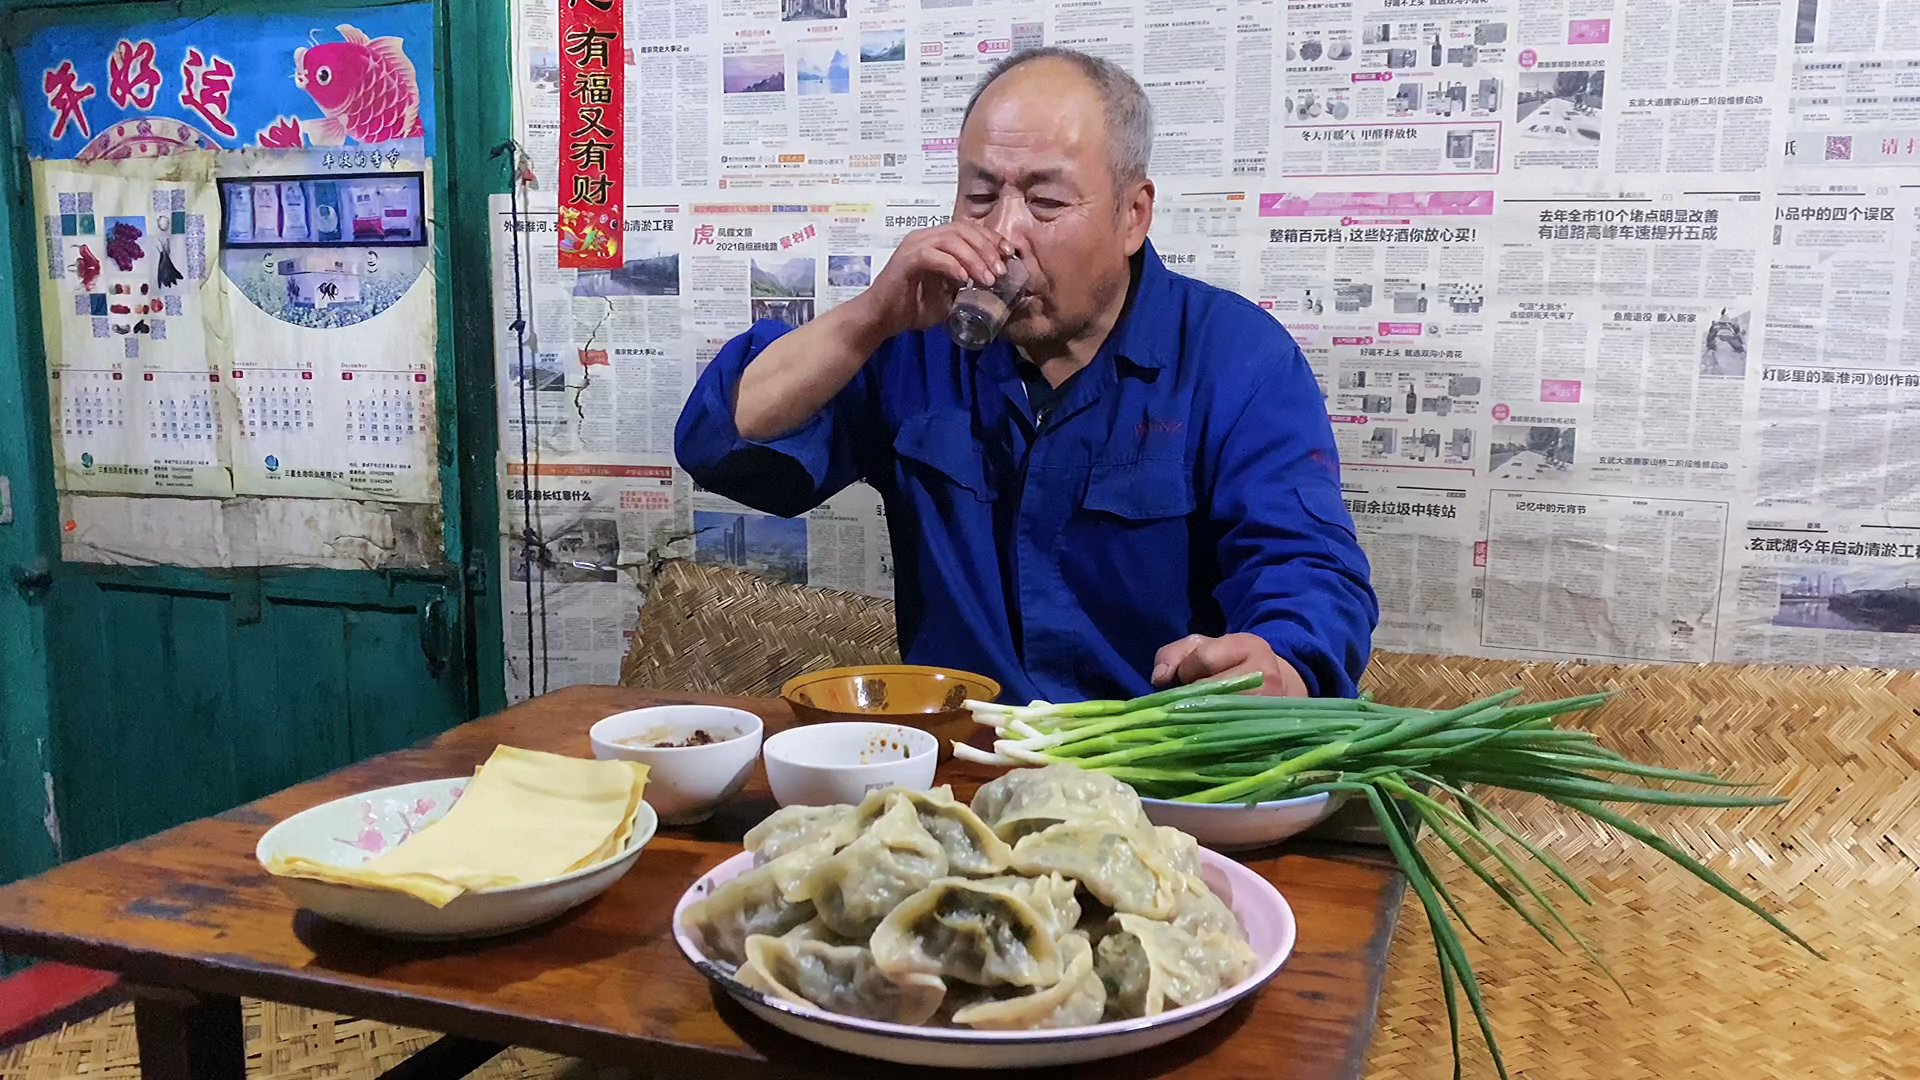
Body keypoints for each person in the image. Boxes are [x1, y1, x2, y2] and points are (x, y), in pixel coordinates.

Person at [675, 47, 1377, 703]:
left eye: (1046, 202)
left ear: (1133, 216)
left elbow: (1306, 565)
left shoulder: (1236, 358)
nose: (1005, 232)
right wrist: (867, 319)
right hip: (964, 770)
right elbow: (723, 443)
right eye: (980, 197)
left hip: (1150, 776)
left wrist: (1278, 661)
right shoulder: (911, 341)